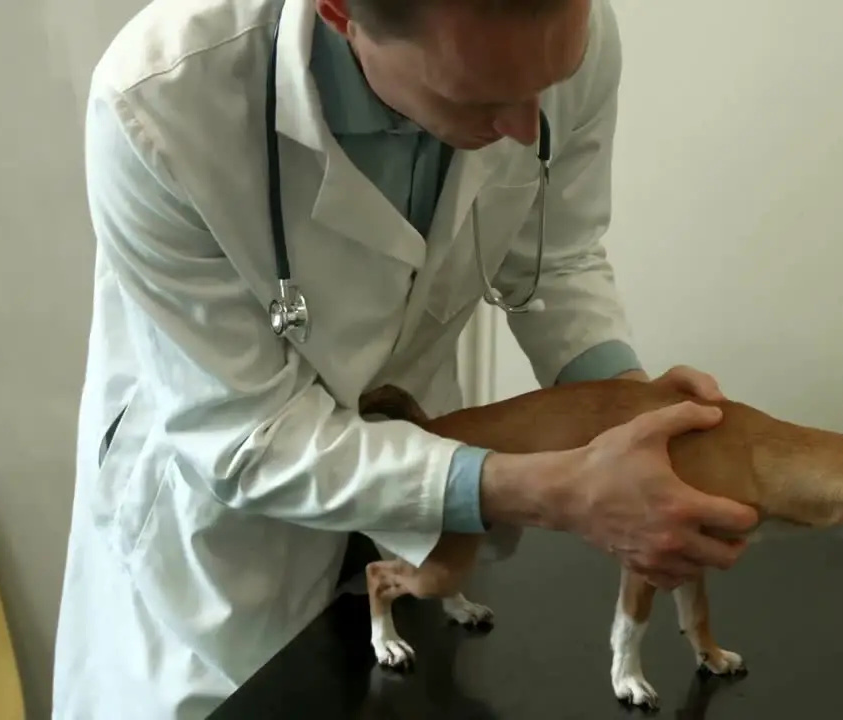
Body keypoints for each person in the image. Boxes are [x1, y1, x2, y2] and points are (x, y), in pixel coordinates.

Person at [50, 0, 759, 718]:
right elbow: (248, 435)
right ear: (339, 13)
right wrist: (551, 488)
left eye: (553, 81)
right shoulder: (160, 101)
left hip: (420, 482)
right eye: (480, 98)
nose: (526, 125)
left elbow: (558, 255)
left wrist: (626, 411)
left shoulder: (558, 34)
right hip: (222, 544)